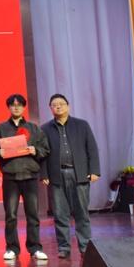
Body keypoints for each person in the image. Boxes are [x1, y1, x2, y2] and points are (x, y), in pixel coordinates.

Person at [40, 93, 101, 258]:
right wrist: (44, 174)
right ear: (50, 109)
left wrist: (94, 170)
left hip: (79, 173)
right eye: (54, 105)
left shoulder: (81, 125)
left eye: (61, 103)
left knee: (82, 212)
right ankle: (64, 247)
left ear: (68, 106)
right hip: (56, 175)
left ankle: (85, 246)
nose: (58, 106)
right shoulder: (45, 129)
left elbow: (92, 148)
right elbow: (43, 154)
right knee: (60, 213)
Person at [0, 94, 50, 261]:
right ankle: (12, 248)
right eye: (12, 105)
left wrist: (35, 150)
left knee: (33, 214)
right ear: (8, 107)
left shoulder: (34, 128)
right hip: (11, 176)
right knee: (11, 215)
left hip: (30, 175)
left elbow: (45, 149)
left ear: (24, 107)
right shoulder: (1, 128)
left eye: (19, 105)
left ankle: (35, 247)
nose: (16, 107)